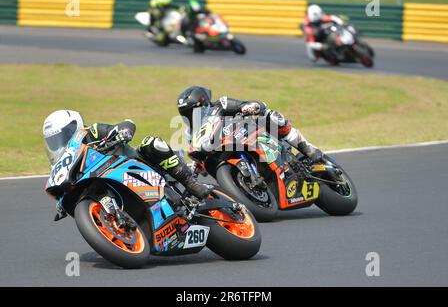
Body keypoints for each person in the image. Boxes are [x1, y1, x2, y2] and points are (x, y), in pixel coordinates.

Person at [42, 110, 210, 201]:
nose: (59, 143)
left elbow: (125, 123)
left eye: (63, 135)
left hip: (139, 167)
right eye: (53, 141)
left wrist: (123, 131)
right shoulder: (66, 164)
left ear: (74, 126)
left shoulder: (90, 132)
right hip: (115, 184)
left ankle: (190, 183)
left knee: (151, 142)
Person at [176, 86, 325, 165]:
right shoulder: (191, 134)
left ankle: (307, 147)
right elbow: (199, 160)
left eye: (194, 111)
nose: (191, 116)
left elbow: (252, 105)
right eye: (186, 114)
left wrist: (250, 107)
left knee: (270, 116)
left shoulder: (222, 104)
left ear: (204, 103)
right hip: (226, 154)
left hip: (250, 134)